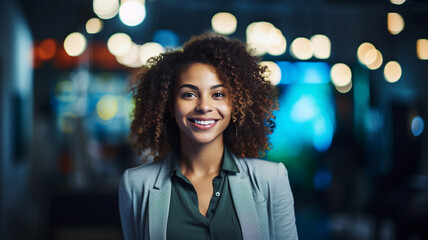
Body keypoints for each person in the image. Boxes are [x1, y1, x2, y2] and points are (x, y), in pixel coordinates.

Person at [119, 33, 298, 240]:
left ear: (236, 104)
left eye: (218, 94)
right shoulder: (136, 185)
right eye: (189, 94)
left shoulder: (271, 179)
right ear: (170, 105)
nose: (204, 106)